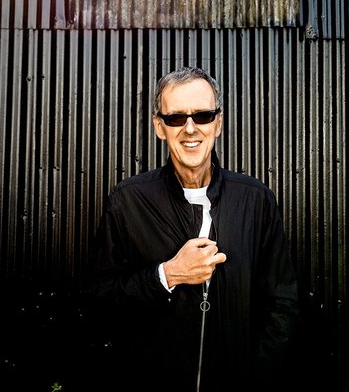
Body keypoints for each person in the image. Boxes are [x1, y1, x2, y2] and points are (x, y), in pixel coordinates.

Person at [87, 66, 300, 392]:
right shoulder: (128, 200)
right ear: (159, 127)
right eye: (176, 118)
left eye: (202, 116)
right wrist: (167, 275)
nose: (190, 128)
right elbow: (100, 299)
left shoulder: (255, 200)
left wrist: (257, 379)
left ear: (218, 123)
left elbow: (281, 304)